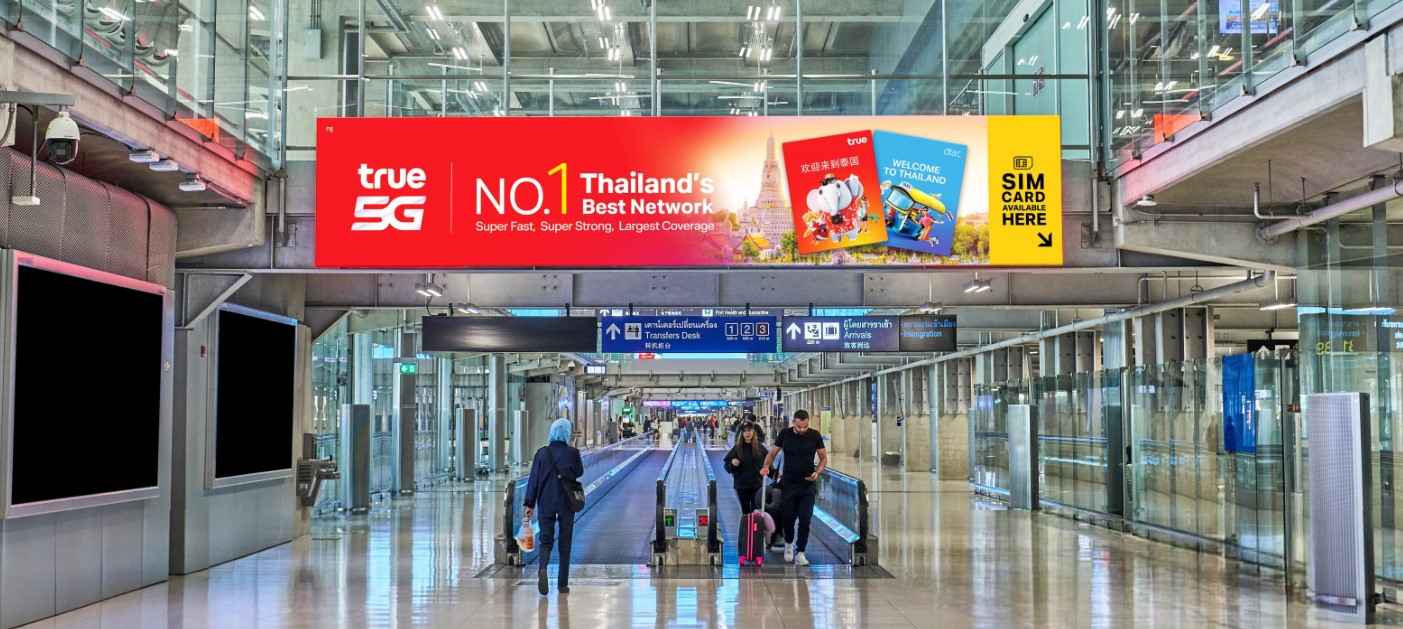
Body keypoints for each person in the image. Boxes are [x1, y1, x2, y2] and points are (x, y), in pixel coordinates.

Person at [523, 418, 584, 595]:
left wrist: (529, 503)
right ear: (567, 433)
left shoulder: (541, 453)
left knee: (546, 540)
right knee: (565, 541)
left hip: (545, 501)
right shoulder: (572, 453)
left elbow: (533, 480)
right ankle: (562, 584)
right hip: (566, 501)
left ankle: (542, 568)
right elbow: (579, 472)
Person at [761, 409, 826, 566]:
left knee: (805, 518)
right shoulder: (785, 434)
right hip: (788, 484)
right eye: (799, 427)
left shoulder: (815, 436)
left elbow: (823, 458)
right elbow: (772, 454)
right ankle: (789, 544)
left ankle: (801, 552)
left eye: (805, 427)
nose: (802, 430)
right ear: (793, 423)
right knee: (788, 518)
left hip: (807, 484)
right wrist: (766, 466)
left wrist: (817, 472)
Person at [723, 422, 766, 513]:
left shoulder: (760, 448)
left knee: (755, 511)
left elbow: (768, 464)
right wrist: (732, 463)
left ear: (753, 432)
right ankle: (746, 522)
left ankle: (753, 522)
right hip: (741, 486)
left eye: (749, 430)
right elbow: (726, 466)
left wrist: (775, 475)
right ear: (742, 433)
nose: (747, 433)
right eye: (745, 431)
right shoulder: (737, 448)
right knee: (745, 511)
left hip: (756, 485)